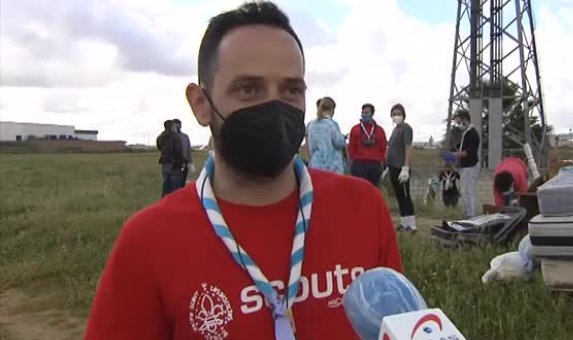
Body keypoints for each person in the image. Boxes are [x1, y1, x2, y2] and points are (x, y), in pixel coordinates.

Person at [84, 2, 402, 340]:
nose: (274, 106)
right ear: (201, 104)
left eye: (291, 90)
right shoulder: (148, 240)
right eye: (249, 89)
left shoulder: (363, 208)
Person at [385, 104, 416, 233]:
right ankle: (404, 223)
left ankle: (411, 224)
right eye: (394, 113)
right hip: (392, 167)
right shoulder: (395, 129)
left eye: (398, 113)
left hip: (401, 168)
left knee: (405, 195)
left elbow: (408, 148)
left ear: (403, 114)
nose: (396, 116)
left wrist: (406, 167)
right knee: (399, 196)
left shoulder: (406, 128)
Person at [347, 103, 387, 186]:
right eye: (363, 112)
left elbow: (383, 147)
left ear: (372, 114)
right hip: (359, 164)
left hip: (375, 164)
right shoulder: (355, 129)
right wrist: (351, 162)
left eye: (367, 112)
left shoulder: (380, 130)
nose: (364, 114)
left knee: (373, 189)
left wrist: (382, 162)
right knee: (360, 189)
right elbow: (351, 147)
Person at [306, 97, 346, 174]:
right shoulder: (332, 124)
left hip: (316, 164)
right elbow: (338, 143)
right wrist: (343, 138)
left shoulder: (311, 125)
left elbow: (311, 146)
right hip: (333, 165)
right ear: (332, 109)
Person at [453, 111, 480, 217]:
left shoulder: (472, 134)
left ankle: (471, 215)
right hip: (465, 167)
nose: (458, 124)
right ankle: (466, 213)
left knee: (468, 192)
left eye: (459, 121)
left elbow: (467, 153)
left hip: (470, 166)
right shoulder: (466, 133)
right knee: (464, 192)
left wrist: (453, 155)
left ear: (465, 119)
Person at [156, 119, 185, 197]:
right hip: (174, 164)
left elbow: (159, 147)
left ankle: (164, 202)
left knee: (166, 185)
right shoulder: (176, 137)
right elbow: (179, 151)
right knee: (175, 187)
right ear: (172, 126)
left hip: (164, 163)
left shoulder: (160, 137)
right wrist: (182, 162)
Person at [173, 118, 195, 186]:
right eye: (176, 125)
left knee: (182, 181)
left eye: (178, 124)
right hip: (174, 163)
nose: (177, 126)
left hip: (184, 162)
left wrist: (190, 162)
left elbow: (188, 149)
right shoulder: (171, 137)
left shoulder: (185, 137)